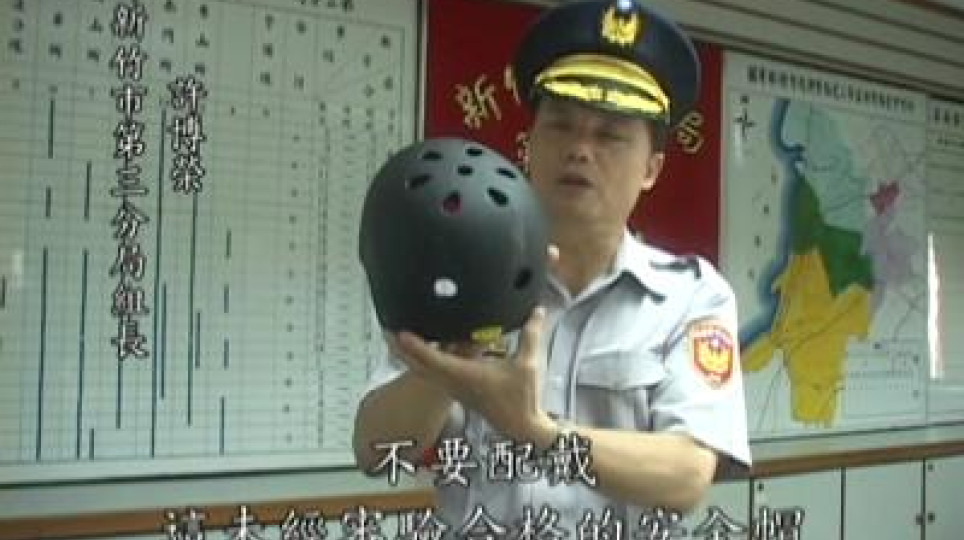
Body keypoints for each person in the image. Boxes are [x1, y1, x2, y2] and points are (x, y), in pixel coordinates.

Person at [353, 0, 751, 531]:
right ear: (530, 146)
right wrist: (446, 369)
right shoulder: (461, 277)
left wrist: (536, 431)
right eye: (560, 127)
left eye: (609, 135)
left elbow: (687, 474)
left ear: (651, 169)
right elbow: (375, 451)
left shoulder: (691, 298)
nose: (580, 150)